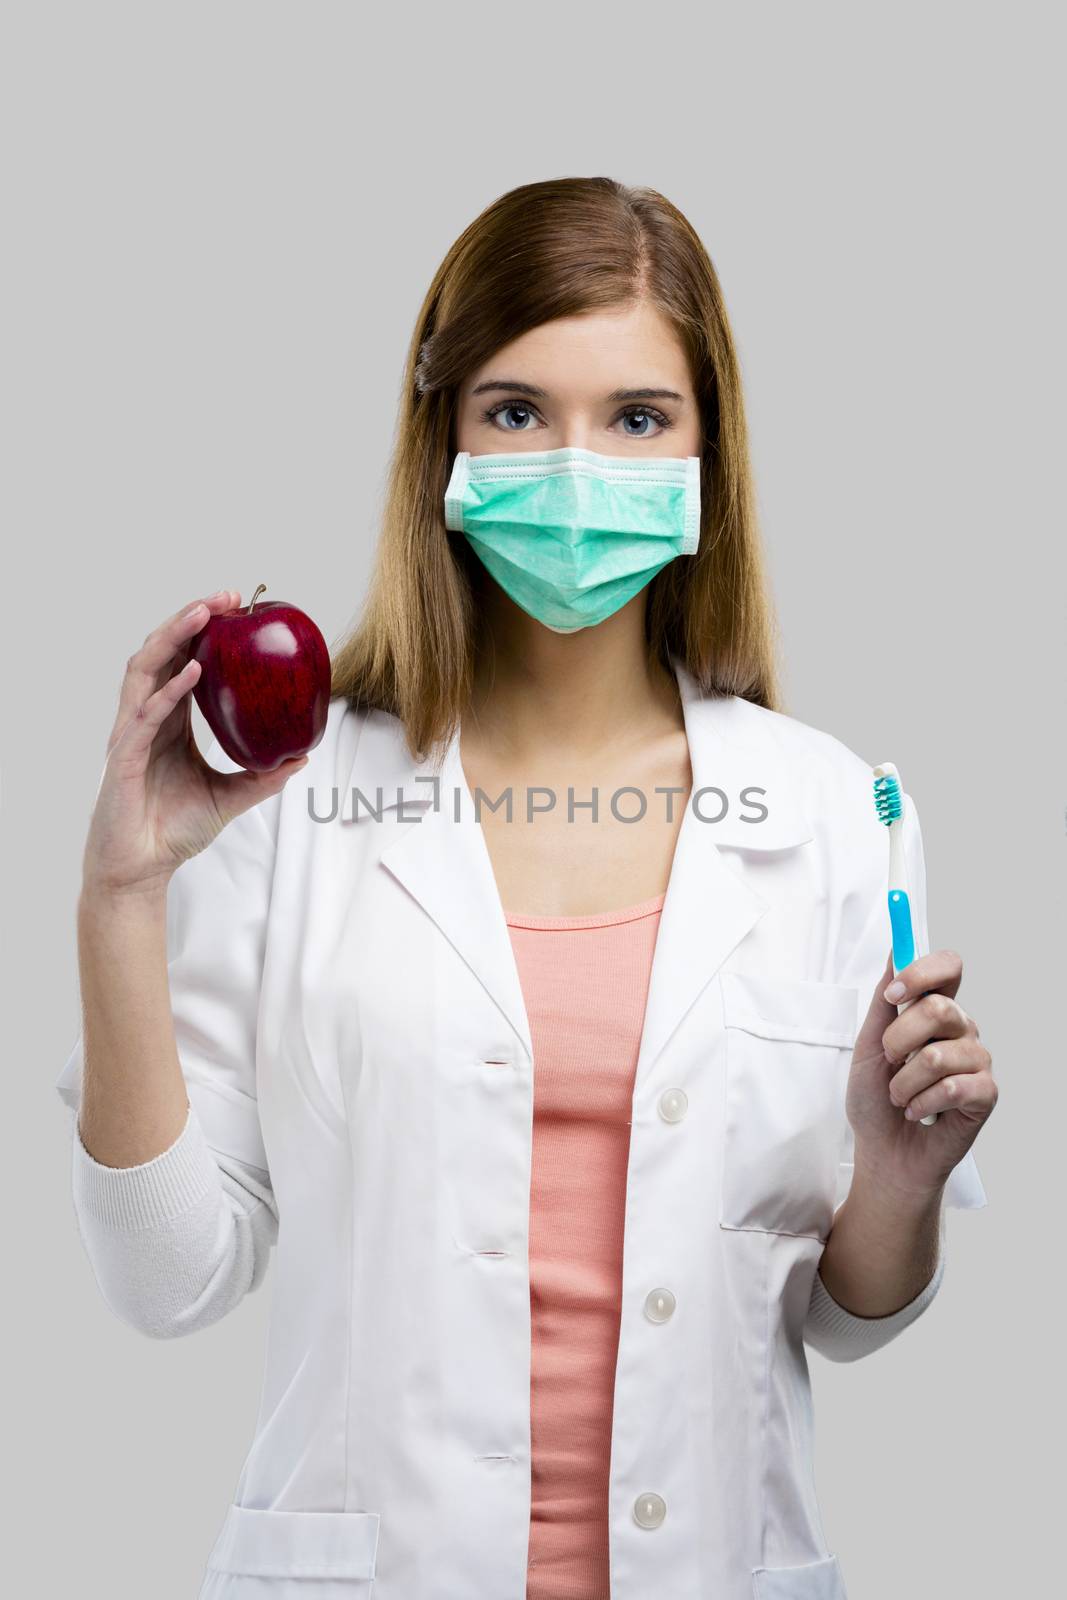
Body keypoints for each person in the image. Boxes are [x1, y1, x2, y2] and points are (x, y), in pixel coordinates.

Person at [56, 177, 997, 1600]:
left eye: (635, 418)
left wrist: (905, 1175)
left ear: (707, 451)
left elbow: (850, 1314)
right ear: (439, 436)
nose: (574, 469)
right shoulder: (291, 800)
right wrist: (122, 896)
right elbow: (170, 1280)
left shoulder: (836, 817)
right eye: (515, 412)